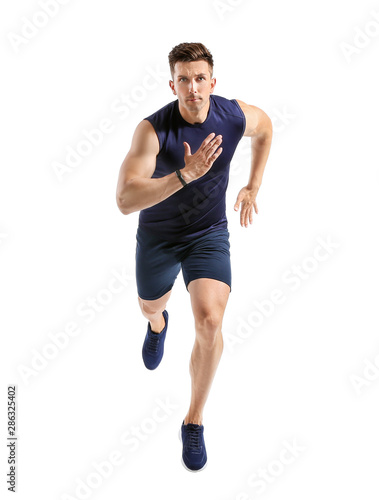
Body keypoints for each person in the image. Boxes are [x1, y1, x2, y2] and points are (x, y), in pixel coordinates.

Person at [116, 42, 272, 472]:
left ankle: (194, 419)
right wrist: (184, 175)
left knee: (210, 321)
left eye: (199, 78)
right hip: (159, 238)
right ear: (172, 85)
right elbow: (125, 200)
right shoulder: (153, 131)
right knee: (151, 304)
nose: (193, 88)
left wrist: (253, 185)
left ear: (212, 82)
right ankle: (157, 325)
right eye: (183, 79)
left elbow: (266, 127)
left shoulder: (232, 115)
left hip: (208, 235)